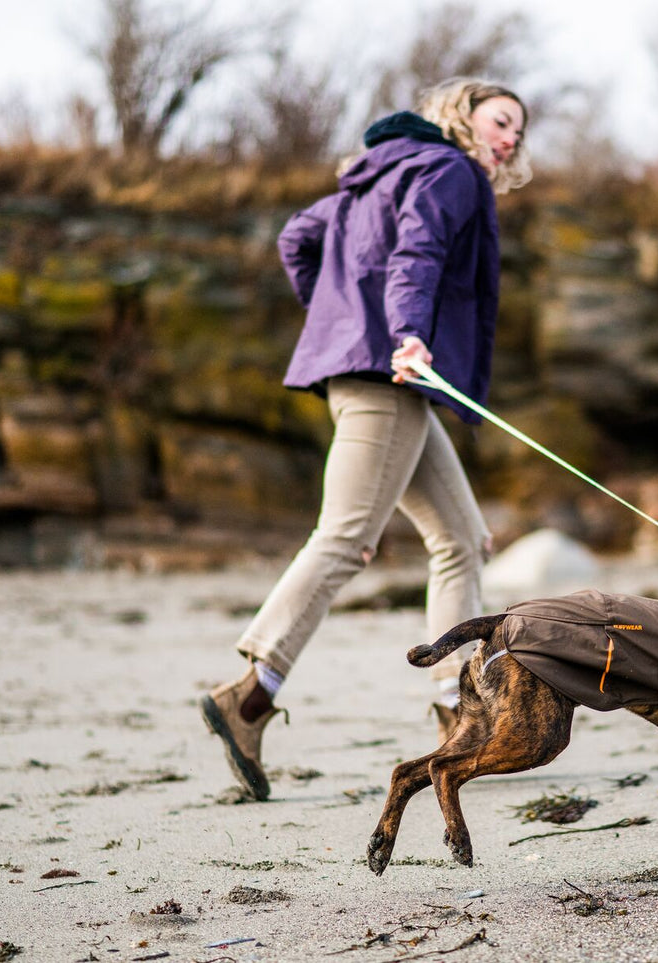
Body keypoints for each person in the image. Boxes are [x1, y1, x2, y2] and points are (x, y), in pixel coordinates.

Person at [200, 77, 531, 801]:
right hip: (391, 374)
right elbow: (416, 253)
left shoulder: (378, 170)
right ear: (462, 114)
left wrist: (341, 321)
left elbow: (299, 238)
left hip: (373, 371)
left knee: (461, 539)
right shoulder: (450, 169)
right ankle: (250, 692)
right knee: (345, 536)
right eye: (500, 120)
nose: (509, 138)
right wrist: (402, 331)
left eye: (518, 132)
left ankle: (458, 707)